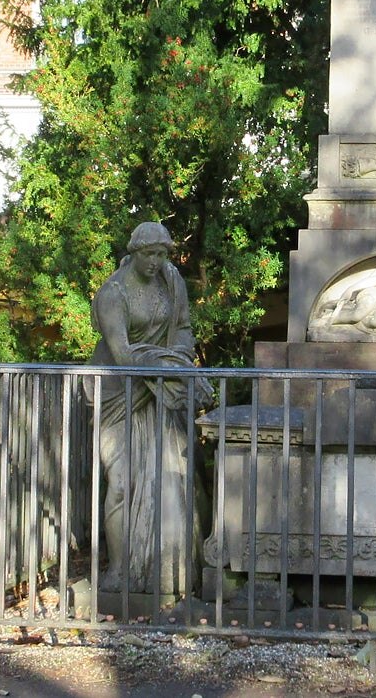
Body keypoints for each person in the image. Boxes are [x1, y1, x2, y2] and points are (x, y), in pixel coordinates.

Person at [88, 221, 212, 598]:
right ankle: (119, 568)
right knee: (123, 482)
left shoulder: (172, 280)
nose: (157, 262)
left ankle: (178, 567)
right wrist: (169, 365)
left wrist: (178, 357)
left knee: (178, 476)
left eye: (163, 254)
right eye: (150, 255)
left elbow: (185, 328)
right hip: (121, 392)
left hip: (161, 389)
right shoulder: (114, 293)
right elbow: (124, 356)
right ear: (134, 251)